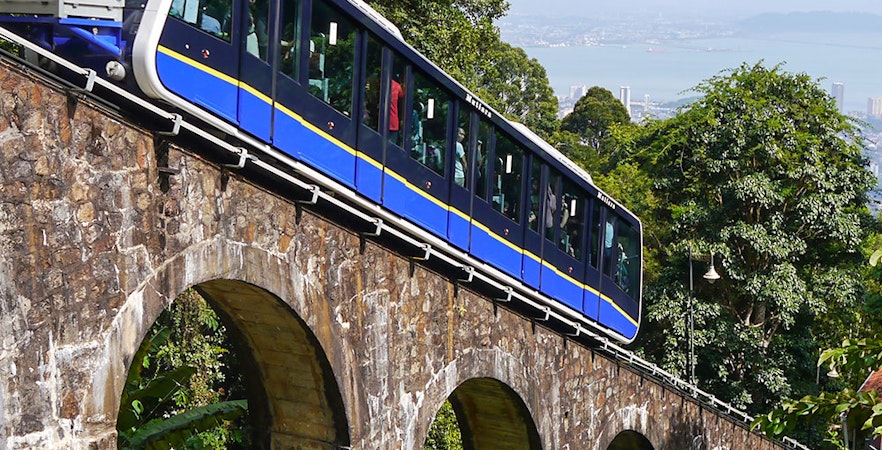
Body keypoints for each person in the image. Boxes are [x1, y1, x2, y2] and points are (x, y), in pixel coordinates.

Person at [389, 77, 403, 145]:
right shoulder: (397, 86)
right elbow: (402, 96)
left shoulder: (380, 83)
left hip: (380, 122)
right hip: (393, 123)